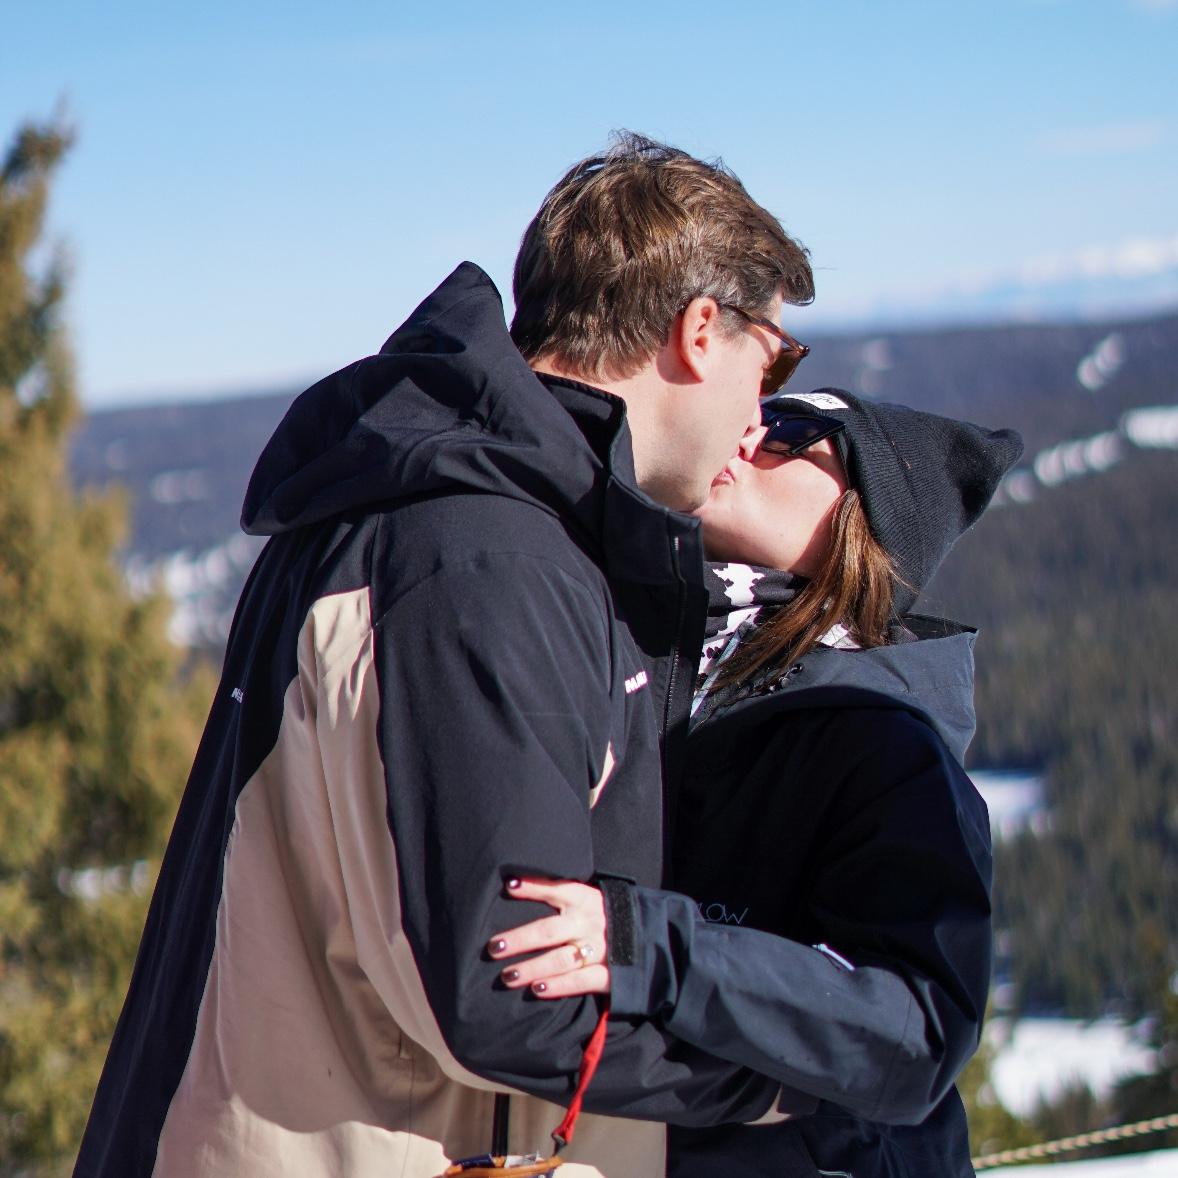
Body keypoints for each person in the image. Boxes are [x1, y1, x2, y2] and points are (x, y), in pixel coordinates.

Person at [73, 134, 819, 1178]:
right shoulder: (489, 561)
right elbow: (506, 990)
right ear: (701, 331)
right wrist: (792, 1073)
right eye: (774, 359)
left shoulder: (438, 503)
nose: (758, 417)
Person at [490, 389, 1023, 1176]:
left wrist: (654, 949)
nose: (748, 432)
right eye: (754, 413)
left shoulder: (885, 744)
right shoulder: (634, 672)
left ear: (867, 522)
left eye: (794, 433)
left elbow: (918, 1032)